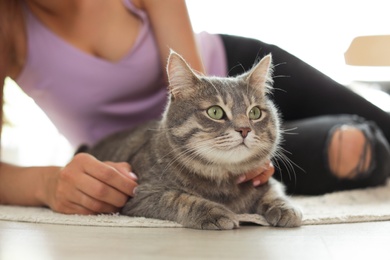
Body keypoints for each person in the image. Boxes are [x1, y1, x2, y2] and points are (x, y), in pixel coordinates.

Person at [0, 0, 389, 215]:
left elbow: (192, 87)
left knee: (383, 124)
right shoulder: (7, 27)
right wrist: (47, 183)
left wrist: (246, 147)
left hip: (232, 85)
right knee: (355, 147)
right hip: (171, 151)